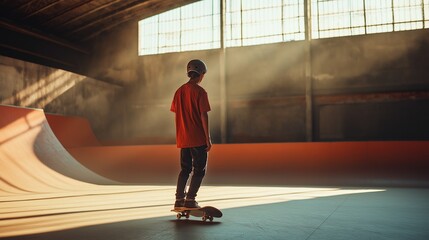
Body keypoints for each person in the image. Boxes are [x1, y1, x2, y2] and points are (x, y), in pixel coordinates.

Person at [170, 59, 212, 210]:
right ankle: (190, 200)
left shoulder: (178, 91)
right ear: (201, 74)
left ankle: (179, 200)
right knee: (199, 170)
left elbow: (177, 112)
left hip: (183, 138)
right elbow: (203, 116)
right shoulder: (200, 92)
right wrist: (207, 138)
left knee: (185, 169)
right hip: (198, 138)